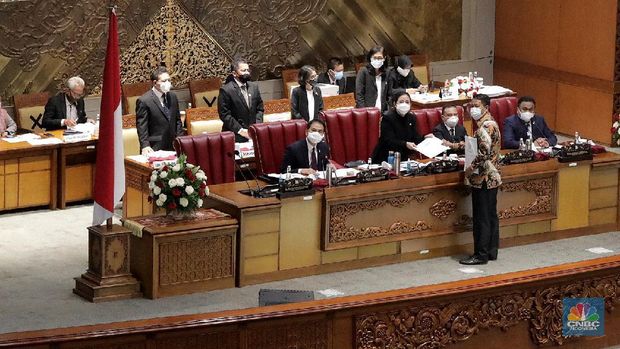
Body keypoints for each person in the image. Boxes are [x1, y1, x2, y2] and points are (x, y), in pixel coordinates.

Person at [460, 94, 502, 265]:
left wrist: (470, 168)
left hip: (483, 177)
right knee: (491, 215)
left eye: (477, 105)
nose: (473, 108)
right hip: (494, 177)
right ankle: (491, 251)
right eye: (471, 105)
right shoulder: (493, 123)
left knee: (481, 218)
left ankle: (480, 254)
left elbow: (483, 153)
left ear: (486, 107)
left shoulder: (483, 127)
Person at [136, 66, 183, 155]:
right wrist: (145, 145)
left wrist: (180, 139)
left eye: (169, 80)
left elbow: (177, 120)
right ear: (154, 83)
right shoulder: (144, 100)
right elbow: (142, 126)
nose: (168, 83)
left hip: (173, 146)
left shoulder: (172, 97)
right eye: (164, 81)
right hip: (155, 147)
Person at [371, 89, 425, 163]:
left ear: (410, 104)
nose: (404, 104)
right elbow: (388, 140)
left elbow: (415, 138)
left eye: (407, 102)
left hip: (404, 158)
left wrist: (425, 137)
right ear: (395, 104)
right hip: (386, 157)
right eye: (401, 102)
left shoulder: (412, 118)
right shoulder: (387, 118)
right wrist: (405, 144)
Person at [218, 57, 264, 142]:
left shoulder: (254, 87)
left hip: (254, 133)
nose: (246, 73)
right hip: (235, 135)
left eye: (247, 70)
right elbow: (225, 114)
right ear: (234, 73)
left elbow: (259, 109)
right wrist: (241, 131)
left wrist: (256, 127)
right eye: (243, 71)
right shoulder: (226, 90)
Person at [355, 46, 389, 111]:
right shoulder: (363, 71)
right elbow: (359, 95)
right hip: (367, 111)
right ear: (370, 58)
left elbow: (389, 94)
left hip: (383, 112)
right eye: (374, 58)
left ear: (384, 58)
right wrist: (364, 112)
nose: (377, 60)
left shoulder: (387, 73)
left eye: (380, 58)